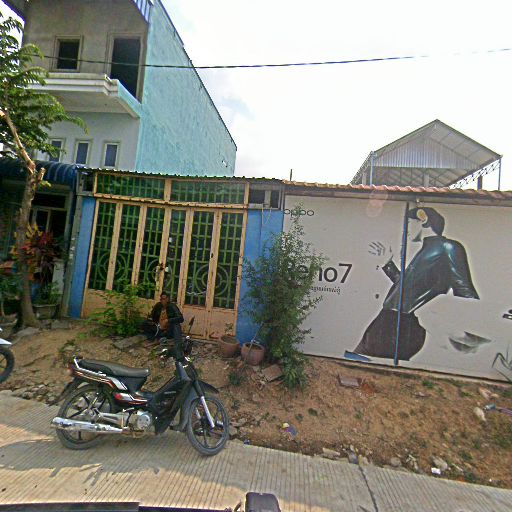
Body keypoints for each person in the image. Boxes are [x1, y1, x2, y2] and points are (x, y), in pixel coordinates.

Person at [348, 207, 479, 361]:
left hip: (401, 326)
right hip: (388, 320)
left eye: (409, 223)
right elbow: (407, 288)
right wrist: (387, 264)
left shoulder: (448, 247)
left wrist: (468, 326)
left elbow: (464, 290)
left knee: (363, 364)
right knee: (356, 361)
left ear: (423, 219)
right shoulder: (427, 250)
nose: (406, 230)